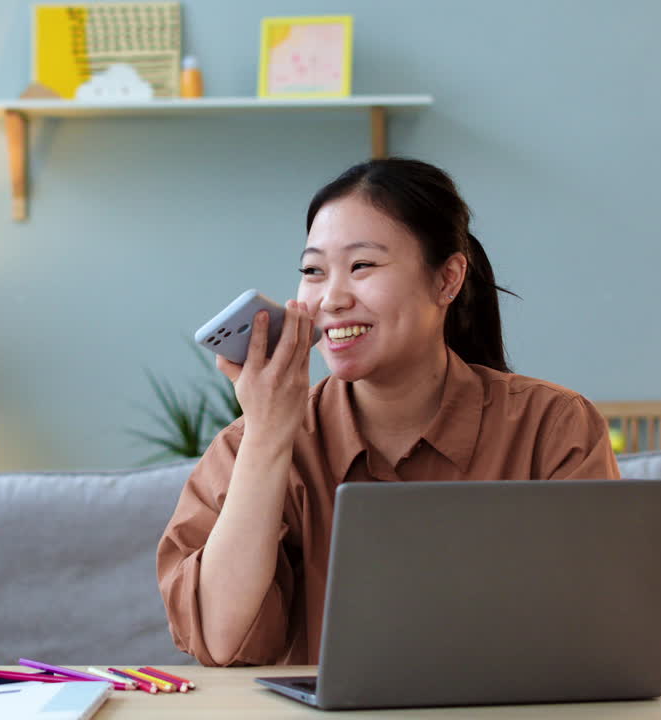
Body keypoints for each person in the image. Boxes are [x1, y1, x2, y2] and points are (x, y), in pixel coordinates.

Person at [157, 157, 618, 667]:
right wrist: (267, 437)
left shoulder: (553, 427)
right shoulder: (245, 446)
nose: (332, 299)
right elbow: (222, 640)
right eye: (313, 271)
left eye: (362, 266)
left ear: (447, 280)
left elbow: (596, 624)